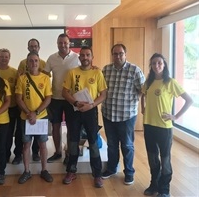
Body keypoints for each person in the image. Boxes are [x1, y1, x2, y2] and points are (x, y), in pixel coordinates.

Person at [141, 53, 193, 197]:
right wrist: (143, 108)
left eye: (159, 63)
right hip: (149, 125)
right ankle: (154, 184)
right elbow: (143, 94)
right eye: (153, 63)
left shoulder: (170, 82)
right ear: (150, 66)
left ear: (164, 65)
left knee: (165, 159)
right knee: (152, 158)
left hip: (164, 127)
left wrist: (175, 116)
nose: (156, 66)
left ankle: (164, 189)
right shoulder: (148, 82)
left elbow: (189, 100)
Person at [62, 46, 107, 188]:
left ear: (92, 57)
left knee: (93, 143)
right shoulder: (72, 72)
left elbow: (103, 95)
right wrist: (75, 102)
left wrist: (91, 105)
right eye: (82, 55)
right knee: (73, 142)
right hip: (74, 111)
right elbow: (64, 92)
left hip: (90, 111)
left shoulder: (97, 73)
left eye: (88, 55)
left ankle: (97, 174)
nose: (85, 57)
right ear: (79, 57)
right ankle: (71, 171)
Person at [101, 43, 145, 185]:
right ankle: (112, 168)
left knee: (127, 145)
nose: (118, 56)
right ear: (112, 55)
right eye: (115, 54)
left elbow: (142, 90)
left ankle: (129, 172)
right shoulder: (106, 70)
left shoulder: (134, 70)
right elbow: (101, 89)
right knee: (112, 144)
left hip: (127, 116)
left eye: (120, 53)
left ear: (125, 54)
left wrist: (135, 101)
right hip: (108, 114)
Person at [15, 52, 53, 184]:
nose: (34, 63)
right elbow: (18, 98)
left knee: (42, 145)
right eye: (31, 61)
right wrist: (28, 112)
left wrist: (35, 112)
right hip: (25, 117)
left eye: (36, 60)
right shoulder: (21, 78)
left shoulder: (45, 78)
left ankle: (44, 170)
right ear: (27, 63)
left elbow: (48, 98)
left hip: (41, 117)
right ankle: (26, 171)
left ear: (39, 62)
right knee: (26, 145)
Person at [44, 33, 80, 164]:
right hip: (55, 98)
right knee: (55, 126)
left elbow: (85, 70)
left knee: (71, 127)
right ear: (57, 44)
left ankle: (70, 152)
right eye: (60, 43)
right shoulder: (51, 58)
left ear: (69, 43)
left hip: (71, 98)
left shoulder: (77, 57)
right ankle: (58, 152)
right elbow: (44, 75)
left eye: (65, 42)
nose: (63, 45)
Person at [17, 38, 45, 161]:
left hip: (40, 110)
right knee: (25, 140)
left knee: (40, 141)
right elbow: (19, 78)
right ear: (28, 48)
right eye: (31, 46)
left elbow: (45, 86)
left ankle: (36, 153)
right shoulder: (22, 63)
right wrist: (29, 112)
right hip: (26, 109)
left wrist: (36, 112)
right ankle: (21, 158)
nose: (34, 48)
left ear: (39, 48)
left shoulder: (44, 63)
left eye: (35, 46)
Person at [0, 48, 23, 165]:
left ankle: (18, 155)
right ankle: (5, 155)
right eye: (1, 56)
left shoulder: (14, 72)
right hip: (1, 110)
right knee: (6, 134)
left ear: (9, 58)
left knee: (19, 133)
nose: (4, 59)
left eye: (6, 57)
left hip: (15, 107)